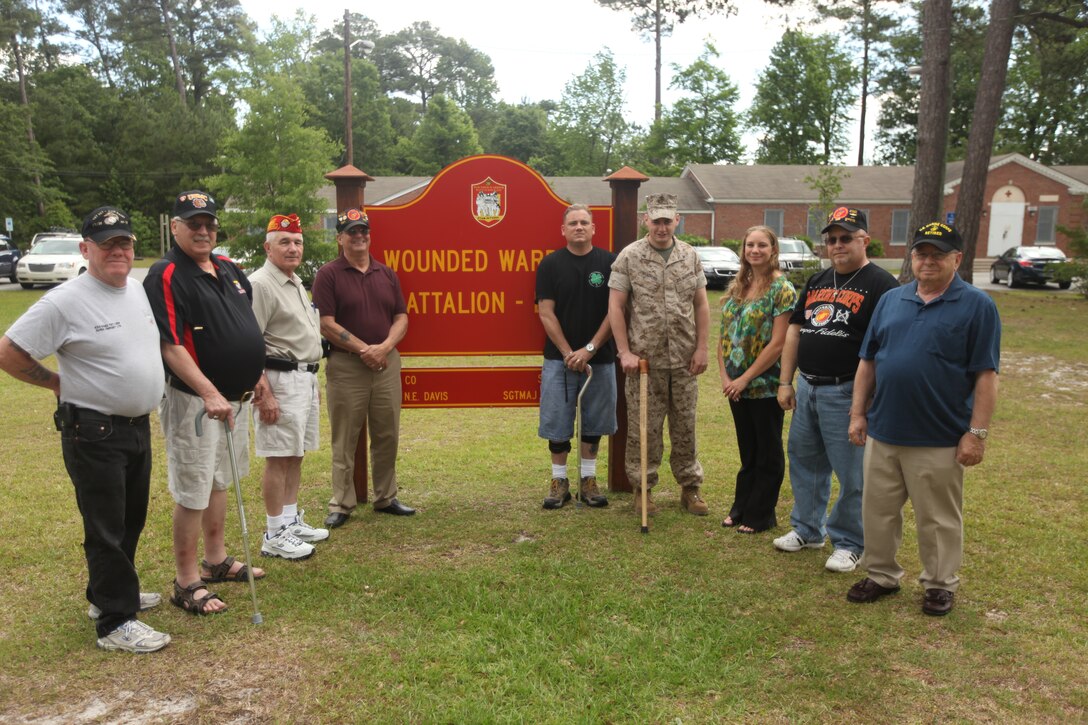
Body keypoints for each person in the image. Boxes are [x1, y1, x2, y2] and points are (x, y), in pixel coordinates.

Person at [0, 206, 170, 652]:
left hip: (136, 426)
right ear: (86, 249)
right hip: (93, 430)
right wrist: (55, 382)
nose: (118, 250)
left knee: (130, 516)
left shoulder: (134, 290)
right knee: (105, 524)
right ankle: (115, 622)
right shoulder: (65, 300)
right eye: (107, 243)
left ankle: (108, 594)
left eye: (125, 242)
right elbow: (9, 351)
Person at [847, 221, 1000, 616]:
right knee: (877, 510)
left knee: (938, 519)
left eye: (937, 254)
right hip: (883, 430)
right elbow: (868, 362)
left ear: (957, 259)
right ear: (911, 257)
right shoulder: (892, 300)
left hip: (939, 436)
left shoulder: (977, 305)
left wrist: (976, 434)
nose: (927, 260)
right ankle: (881, 574)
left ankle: (939, 584)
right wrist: (858, 413)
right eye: (921, 253)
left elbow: (986, 375)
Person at [143, 190, 267, 615]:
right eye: (192, 223)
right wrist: (209, 392)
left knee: (219, 480)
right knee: (193, 488)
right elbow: (170, 345)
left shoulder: (230, 269)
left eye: (209, 223)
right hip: (195, 402)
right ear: (174, 226)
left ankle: (216, 560)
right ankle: (186, 579)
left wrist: (259, 378)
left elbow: (247, 329)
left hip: (235, 400)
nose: (202, 230)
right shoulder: (166, 274)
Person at [774, 208, 899, 571]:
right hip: (808, 386)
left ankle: (850, 541)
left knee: (852, 472)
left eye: (846, 237)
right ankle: (808, 530)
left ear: (865, 240)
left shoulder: (881, 284)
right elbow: (795, 330)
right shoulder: (817, 280)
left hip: (845, 391)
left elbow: (884, 346)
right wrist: (786, 381)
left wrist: (866, 400)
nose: (838, 245)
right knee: (805, 460)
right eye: (832, 239)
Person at [608, 193, 711, 516]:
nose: (662, 227)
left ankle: (690, 488)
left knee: (685, 426)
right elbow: (616, 306)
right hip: (644, 361)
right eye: (656, 220)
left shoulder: (690, 256)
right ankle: (642, 490)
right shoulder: (630, 256)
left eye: (668, 220)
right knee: (644, 429)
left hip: (683, 359)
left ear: (677, 220)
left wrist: (702, 347)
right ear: (646, 220)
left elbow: (701, 304)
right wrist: (623, 351)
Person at [311, 207, 413, 528]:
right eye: (351, 232)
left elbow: (402, 317)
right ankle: (341, 503)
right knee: (345, 437)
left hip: (386, 362)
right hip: (346, 365)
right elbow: (326, 323)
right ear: (340, 238)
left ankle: (385, 496)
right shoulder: (328, 274)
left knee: (387, 433)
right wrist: (363, 349)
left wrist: (383, 348)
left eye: (363, 231)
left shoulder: (386, 273)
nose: (358, 237)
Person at [249, 213, 329, 559]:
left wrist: (312, 377)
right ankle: (273, 532)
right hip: (277, 378)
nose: (293, 248)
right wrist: (262, 390)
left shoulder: (294, 281)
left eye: (297, 242)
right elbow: (250, 342)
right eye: (284, 242)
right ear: (268, 247)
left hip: (303, 377)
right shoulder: (261, 284)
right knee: (278, 457)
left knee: (295, 453)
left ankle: (290, 518)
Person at [536, 204, 617, 509]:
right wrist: (569, 352)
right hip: (560, 359)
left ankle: (588, 480)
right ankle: (559, 482)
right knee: (557, 422)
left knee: (594, 422)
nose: (579, 227)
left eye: (585, 222)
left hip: (600, 357)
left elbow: (615, 311)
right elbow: (546, 312)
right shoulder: (550, 265)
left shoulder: (610, 262)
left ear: (594, 228)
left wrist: (590, 349)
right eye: (573, 223)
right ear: (564, 230)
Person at [717, 225, 797, 534]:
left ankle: (761, 514)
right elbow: (724, 336)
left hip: (763, 386)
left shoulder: (782, 289)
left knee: (767, 451)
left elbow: (778, 343)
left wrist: (746, 379)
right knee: (747, 450)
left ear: (773, 250)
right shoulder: (739, 286)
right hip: (736, 387)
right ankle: (741, 507)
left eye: (762, 245)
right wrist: (726, 377)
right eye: (750, 244)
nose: (755, 250)